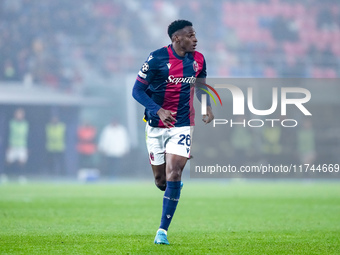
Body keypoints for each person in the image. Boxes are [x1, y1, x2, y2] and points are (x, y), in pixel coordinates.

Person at [132, 20, 214, 245]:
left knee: (175, 171)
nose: (195, 39)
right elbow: (137, 90)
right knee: (161, 181)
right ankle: (172, 189)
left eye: (195, 34)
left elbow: (201, 85)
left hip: (182, 124)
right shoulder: (157, 58)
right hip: (156, 125)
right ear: (177, 38)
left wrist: (206, 105)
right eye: (190, 35)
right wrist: (157, 110)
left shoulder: (198, 60)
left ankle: (162, 231)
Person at [6, 108, 29, 182]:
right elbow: (7, 134)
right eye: (18, 114)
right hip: (12, 145)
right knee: (8, 161)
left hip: (22, 145)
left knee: (22, 162)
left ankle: (21, 176)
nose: (19, 115)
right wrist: (8, 145)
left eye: (21, 114)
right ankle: (5, 175)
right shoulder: (11, 123)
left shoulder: (26, 124)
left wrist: (27, 147)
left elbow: (28, 136)